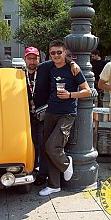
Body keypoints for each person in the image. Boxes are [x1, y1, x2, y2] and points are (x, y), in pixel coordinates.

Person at [38, 40, 91, 196]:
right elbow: (32, 66)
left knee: (52, 147)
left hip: (67, 114)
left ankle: (66, 164)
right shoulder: (50, 67)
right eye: (53, 53)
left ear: (65, 52)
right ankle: (54, 185)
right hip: (50, 112)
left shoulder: (73, 70)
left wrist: (70, 95)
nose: (56, 55)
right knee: (47, 149)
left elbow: (87, 91)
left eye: (59, 52)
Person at [23, 46, 80, 186]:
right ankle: (29, 170)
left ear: (39, 59)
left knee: (44, 144)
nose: (32, 61)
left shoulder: (45, 68)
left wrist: (72, 62)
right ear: (25, 59)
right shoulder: (19, 74)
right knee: (31, 143)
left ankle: (42, 174)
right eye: (29, 58)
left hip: (44, 113)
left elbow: (60, 57)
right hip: (26, 116)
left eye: (35, 58)